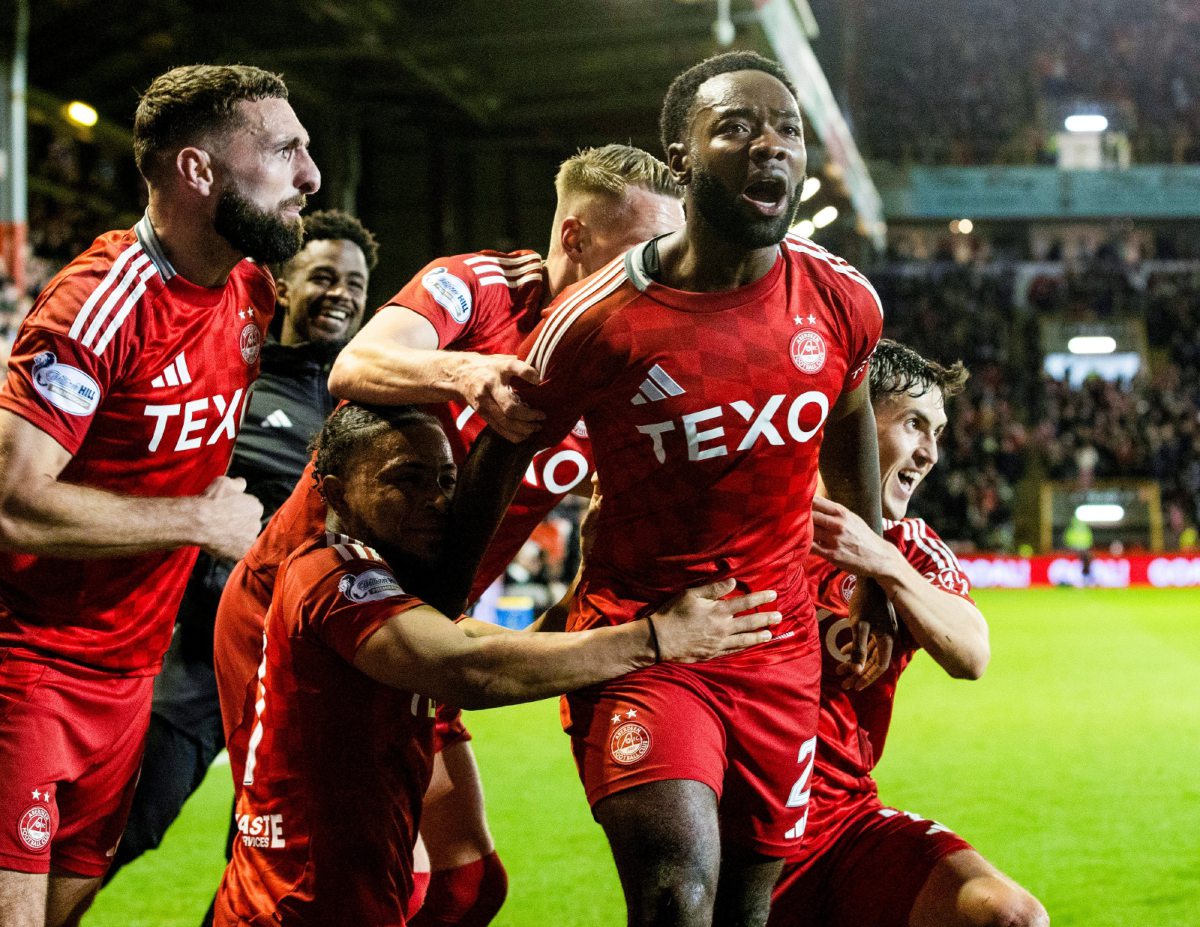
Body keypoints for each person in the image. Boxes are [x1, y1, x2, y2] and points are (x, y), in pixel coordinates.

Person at [436, 51, 893, 927]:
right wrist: (436, 608)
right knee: (676, 894)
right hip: (645, 643)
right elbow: (503, 452)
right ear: (681, 160)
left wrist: (865, 584)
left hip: (778, 648)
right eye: (736, 128)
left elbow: (851, 415)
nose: (770, 148)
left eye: (787, 132)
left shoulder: (841, 299)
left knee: (746, 910)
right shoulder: (599, 319)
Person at [227, 143, 684, 925]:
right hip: (304, 607)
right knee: (319, 882)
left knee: (469, 882)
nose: (657, 278)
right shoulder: (480, 285)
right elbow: (358, 364)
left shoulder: (617, 359)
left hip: (422, 622)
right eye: (642, 253)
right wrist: (468, 374)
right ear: (573, 238)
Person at [0, 63, 318, 927]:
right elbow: (9, 503)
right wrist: (198, 519)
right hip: (22, 662)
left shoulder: (249, 292)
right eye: (285, 149)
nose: (309, 174)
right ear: (199, 171)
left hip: (128, 672)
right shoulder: (98, 305)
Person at [211, 403, 783, 927]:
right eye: (404, 480)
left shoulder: (385, 586)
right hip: (296, 906)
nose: (433, 500)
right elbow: (467, 669)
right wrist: (658, 638)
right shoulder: (332, 573)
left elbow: (502, 646)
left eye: (444, 481)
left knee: (469, 886)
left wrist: (590, 581)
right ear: (335, 491)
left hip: (333, 897)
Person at [103, 209, 378, 884]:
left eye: (355, 281)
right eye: (322, 275)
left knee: (265, 862)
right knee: (121, 827)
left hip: (299, 662)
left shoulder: (372, 399)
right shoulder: (231, 369)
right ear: (282, 283)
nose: (340, 292)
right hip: (198, 647)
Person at [770, 340, 1049, 927]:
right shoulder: (756, 525)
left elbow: (972, 653)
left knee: (1009, 916)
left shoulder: (907, 549)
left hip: (839, 831)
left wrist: (883, 565)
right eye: (914, 424)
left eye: (939, 433)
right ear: (852, 426)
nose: (929, 454)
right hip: (725, 832)